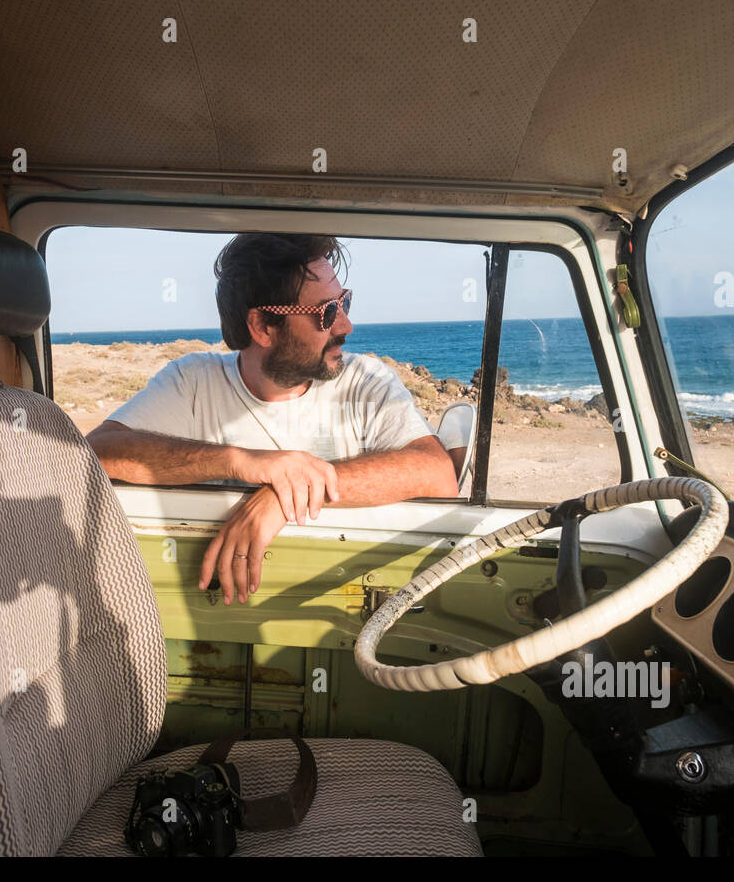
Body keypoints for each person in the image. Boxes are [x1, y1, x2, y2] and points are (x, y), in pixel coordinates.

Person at [88, 232, 459, 605]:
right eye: (327, 312)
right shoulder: (194, 382)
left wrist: (284, 496)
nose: (345, 325)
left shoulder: (366, 382)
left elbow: (437, 474)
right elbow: (96, 453)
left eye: (344, 301)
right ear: (263, 327)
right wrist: (243, 462)